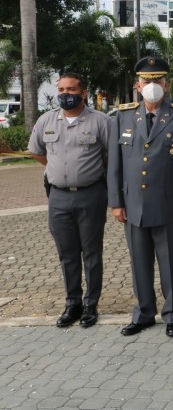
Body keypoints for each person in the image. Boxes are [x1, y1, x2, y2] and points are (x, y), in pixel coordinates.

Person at [108, 57, 173, 338]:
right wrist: (116, 202)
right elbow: (114, 164)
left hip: (170, 205)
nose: (152, 85)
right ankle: (143, 313)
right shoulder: (123, 117)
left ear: (166, 84)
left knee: (172, 263)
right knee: (139, 264)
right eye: (146, 81)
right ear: (137, 86)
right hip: (133, 205)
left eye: (157, 81)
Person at [28, 73, 111, 328]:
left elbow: (113, 157)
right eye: (62, 89)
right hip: (58, 196)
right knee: (67, 253)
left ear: (83, 93)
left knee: (91, 253)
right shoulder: (46, 120)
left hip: (91, 194)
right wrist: (56, 169)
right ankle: (73, 304)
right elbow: (36, 151)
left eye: (72, 89)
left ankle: (90, 305)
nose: (66, 94)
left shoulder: (101, 121)